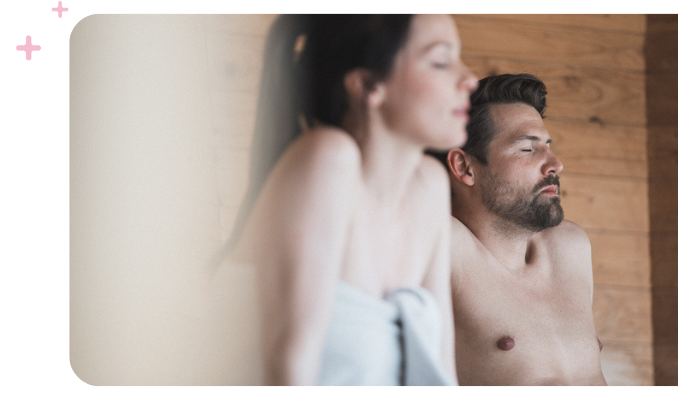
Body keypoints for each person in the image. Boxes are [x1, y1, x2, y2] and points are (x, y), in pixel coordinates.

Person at [223, 15, 478, 385]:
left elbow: (440, 372)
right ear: (368, 86)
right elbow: (287, 365)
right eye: (441, 61)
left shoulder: (430, 186)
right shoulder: (328, 159)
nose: (469, 79)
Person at [432, 74, 607, 385]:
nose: (555, 164)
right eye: (527, 149)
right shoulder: (444, 246)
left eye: (548, 146)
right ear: (464, 167)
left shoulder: (570, 247)